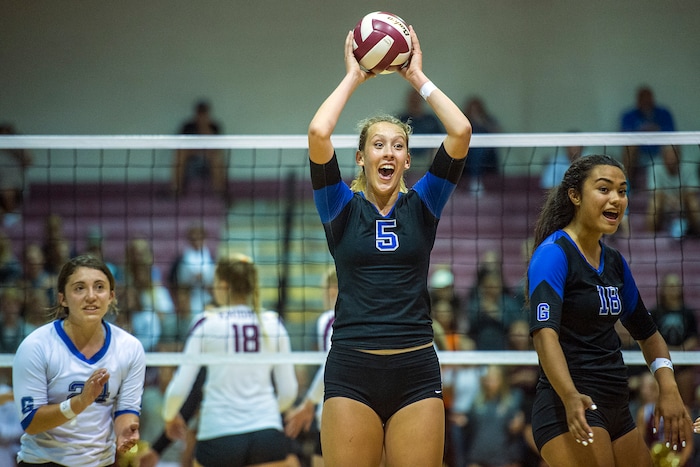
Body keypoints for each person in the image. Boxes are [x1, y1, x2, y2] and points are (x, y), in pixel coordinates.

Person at [307, 23, 471, 467]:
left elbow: (460, 131)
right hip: (352, 369)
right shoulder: (340, 208)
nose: (389, 152)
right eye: (378, 145)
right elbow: (319, 133)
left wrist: (416, 77)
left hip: (415, 368)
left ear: (405, 159)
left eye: (398, 146)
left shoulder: (424, 204)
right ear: (361, 158)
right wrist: (354, 76)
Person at [527, 154, 692, 466]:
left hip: (617, 407)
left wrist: (668, 387)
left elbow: (649, 334)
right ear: (574, 195)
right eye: (604, 189)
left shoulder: (614, 262)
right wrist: (569, 395)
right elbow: (544, 336)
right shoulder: (553, 254)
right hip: (570, 404)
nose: (616, 199)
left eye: (623, 191)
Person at [162, 253, 298, 467]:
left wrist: (170, 416)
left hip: (219, 435)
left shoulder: (206, 323)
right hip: (267, 434)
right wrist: (265, 411)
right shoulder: (273, 323)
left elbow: (180, 387)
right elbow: (289, 392)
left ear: (223, 285)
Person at [12, 254, 146, 466]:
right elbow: (31, 422)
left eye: (99, 287)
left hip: (101, 462)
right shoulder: (36, 346)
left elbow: (126, 410)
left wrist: (126, 432)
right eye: (79, 288)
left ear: (111, 296)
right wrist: (79, 402)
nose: (91, 296)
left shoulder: (130, 347)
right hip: (43, 462)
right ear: (62, 298)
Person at [284, 267, 338, 467]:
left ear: (332, 290)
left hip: (334, 414)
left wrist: (308, 404)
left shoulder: (329, 319)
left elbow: (332, 364)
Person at [648, 272, 698, 405]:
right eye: (670, 286)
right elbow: (650, 338)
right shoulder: (656, 312)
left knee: (686, 386)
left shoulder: (687, 313)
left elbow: (694, 338)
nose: (673, 289)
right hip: (660, 361)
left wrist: (678, 350)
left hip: (683, 363)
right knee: (657, 392)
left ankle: (687, 422)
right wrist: (666, 352)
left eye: (675, 286)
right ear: (663, 289)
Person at [172, 100, 228, 201]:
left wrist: (204, 126)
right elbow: (182, 146)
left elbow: (216, 147)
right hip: (191, 156)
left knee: (217, 158)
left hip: (208, 156)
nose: (201, 116)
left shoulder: (214, 126)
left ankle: (220, 192)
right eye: (199, 113)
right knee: (179, 155)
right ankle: (176, 190)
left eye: (204, 113)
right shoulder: (188, 127)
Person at [620, 86, 675, 183]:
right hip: (639, 153)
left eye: (648, 98)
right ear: (638, 100)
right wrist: (641, 131)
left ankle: (673, 186)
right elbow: (625, 135)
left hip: (660, 152)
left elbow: (672, 133)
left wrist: (657, 129)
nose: (646, 101)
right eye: (643, 98)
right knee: (630, 147)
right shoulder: (628, 115)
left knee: (671, 149)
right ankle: (626, 185)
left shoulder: (664, 113)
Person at [645, 145, 700, 238]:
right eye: (668, 156)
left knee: (693, 203)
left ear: (679, 155)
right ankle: (650, 241)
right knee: (654, 204)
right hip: (664, 204)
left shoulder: (689, 167)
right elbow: (656, 193)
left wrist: (679, 200)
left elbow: (692, 192)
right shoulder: (655, 167)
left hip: (684, 203)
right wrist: (670, 201)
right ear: (663, 156)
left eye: (674, 155)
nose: (671, 159)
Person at [398, 87, 443, 173]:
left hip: (427, 160)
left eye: (417, 100)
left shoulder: (431, 120)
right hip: (406, 159)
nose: (415, 103)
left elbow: (441, 141)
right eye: (413, 100)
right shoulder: (401, 119)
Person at [462, 96, 501, 196]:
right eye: (472, 109)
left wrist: (482, 123)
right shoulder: (462, 120)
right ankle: (475, 181)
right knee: (475, 150)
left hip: (487, 155)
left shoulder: (488, 120)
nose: (475, 111)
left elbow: (498, 133)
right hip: (466, 154)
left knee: (479, 150)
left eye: (477, 109)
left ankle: (476, 181)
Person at [0, 123, 33, 228]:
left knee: (8, 190)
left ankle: (10, 214)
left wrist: (15, 147)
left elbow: (28, 162)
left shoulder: (17, 149)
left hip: (13, 185)